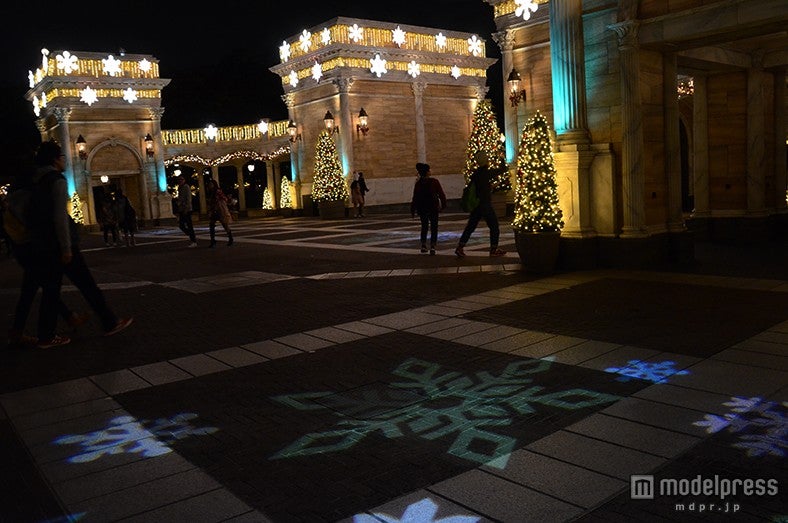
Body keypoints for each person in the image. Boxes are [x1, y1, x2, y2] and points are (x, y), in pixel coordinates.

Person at [455, 151, 507, 258]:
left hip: (477, 205)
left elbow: (480, 188)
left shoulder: (476, 174)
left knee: (470, 227)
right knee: (494, 227)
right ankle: (493, 249)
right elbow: (503, 169)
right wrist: (501, 157)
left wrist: (489, 187)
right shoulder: (486, 172)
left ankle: (460, 247)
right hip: (485, 204)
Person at [410, 163, 446, 255]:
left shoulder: (418, 183)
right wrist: (444, 205)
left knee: (424, 226)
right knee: (434, 227)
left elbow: (415, 197)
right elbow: (441, 194)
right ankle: (433, 246)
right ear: (427, 172)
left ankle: (423, 244)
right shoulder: (434, 182)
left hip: (422, 207)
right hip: (433, 207)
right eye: (429, 170)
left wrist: (413, 209)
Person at [205, 178, 234, 247]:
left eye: (211, 184)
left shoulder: (217, 191)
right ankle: (213, 240)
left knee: (224, 224)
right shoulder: (210, 192)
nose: (210, 186)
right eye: (209, 184)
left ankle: (230, 238)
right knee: (211, 225)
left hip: (219, 210)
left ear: (214, 185)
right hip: (214, 210)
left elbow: (224, 199)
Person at [176, 175, 197, 246]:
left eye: (181, 179)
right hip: (182, 209)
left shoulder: (186, 187)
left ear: (184, 180)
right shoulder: (180, 188)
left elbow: (188, 198)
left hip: (186, 209)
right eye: (179, 180)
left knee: (188, 225)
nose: (180, 181)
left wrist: (186, 208)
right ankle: (191, 234)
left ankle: (193, 240)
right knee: (182, 225)